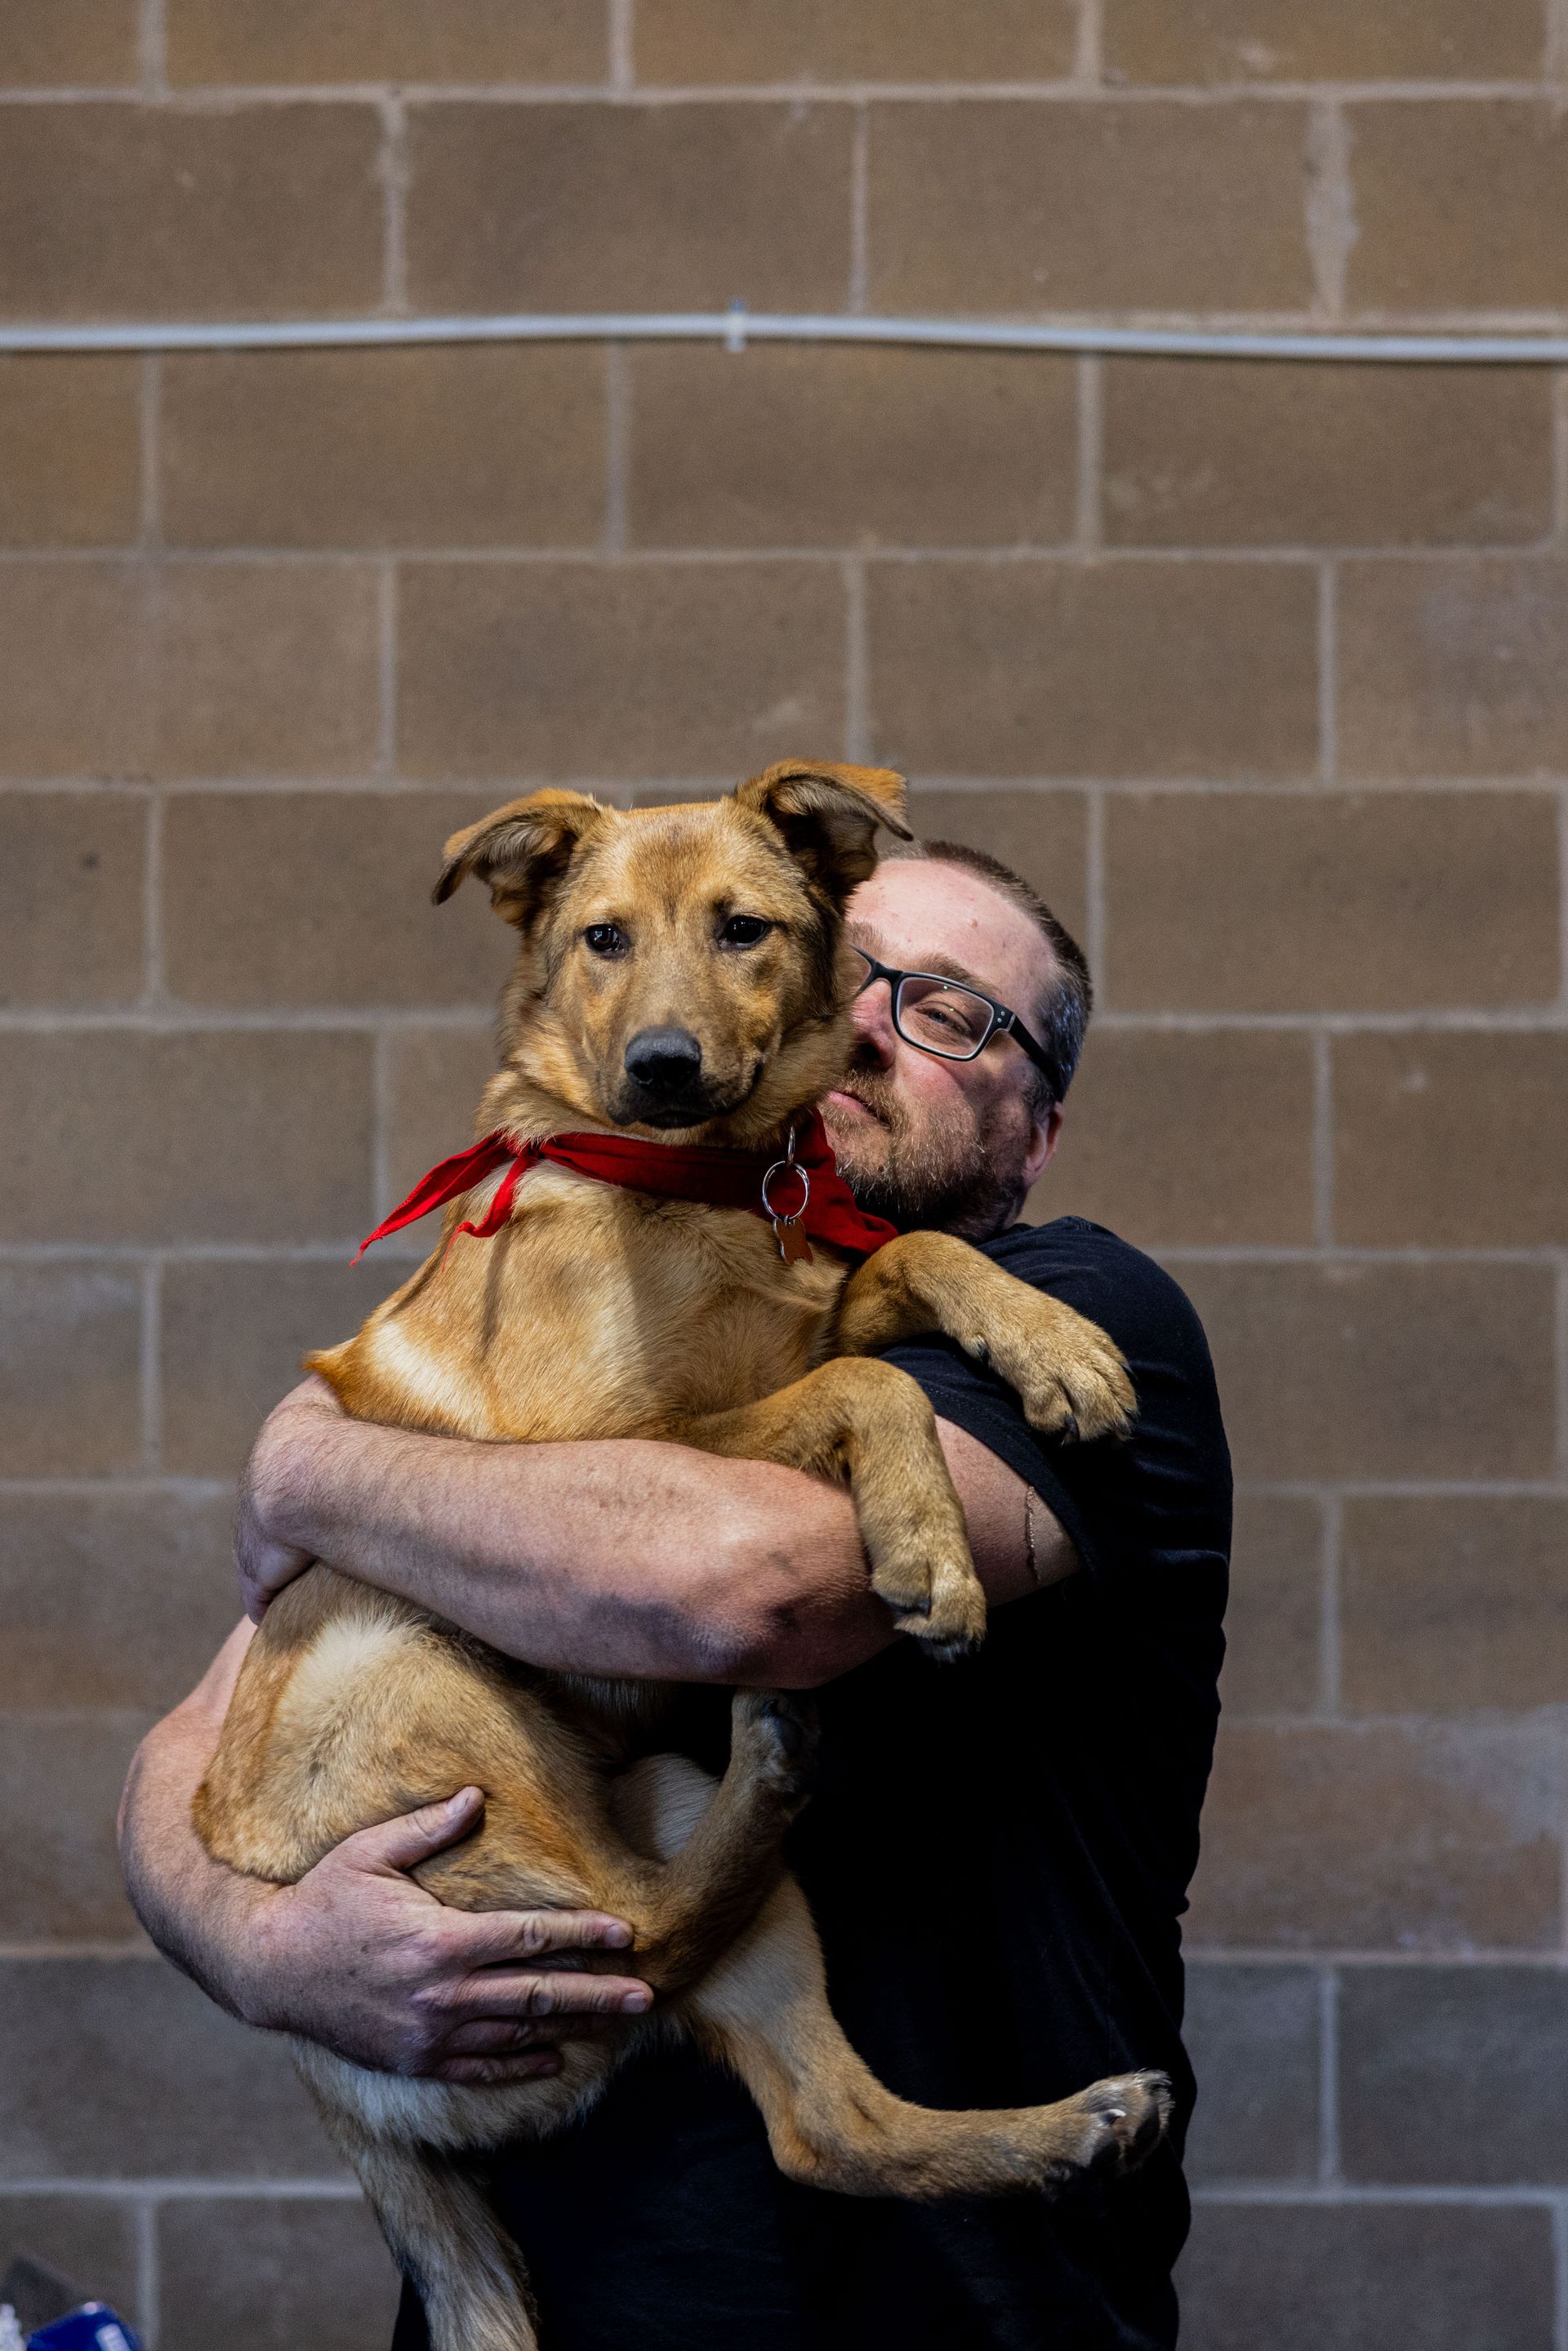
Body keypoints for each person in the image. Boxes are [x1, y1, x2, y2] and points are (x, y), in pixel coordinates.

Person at [120, 840, 1230, 2351]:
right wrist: (265, 1950)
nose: (867, 1024)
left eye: (950, 1012)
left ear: (1038, 1130)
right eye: (850, 974)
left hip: (942, 2320)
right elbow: (196, 1745)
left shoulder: (1092, 1314)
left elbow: (740, 1595)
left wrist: (312, 1467)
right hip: (588, 2287)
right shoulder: (606, 1264)